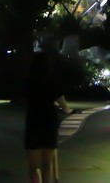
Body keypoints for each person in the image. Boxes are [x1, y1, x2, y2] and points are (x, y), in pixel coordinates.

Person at [24, 52, 73, 183]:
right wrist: (68, 110)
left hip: (33, 121)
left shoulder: (29, 82)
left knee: (33, 166)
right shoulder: (51, 82)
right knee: (47, 164)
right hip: (49, 121)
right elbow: (64, 105)